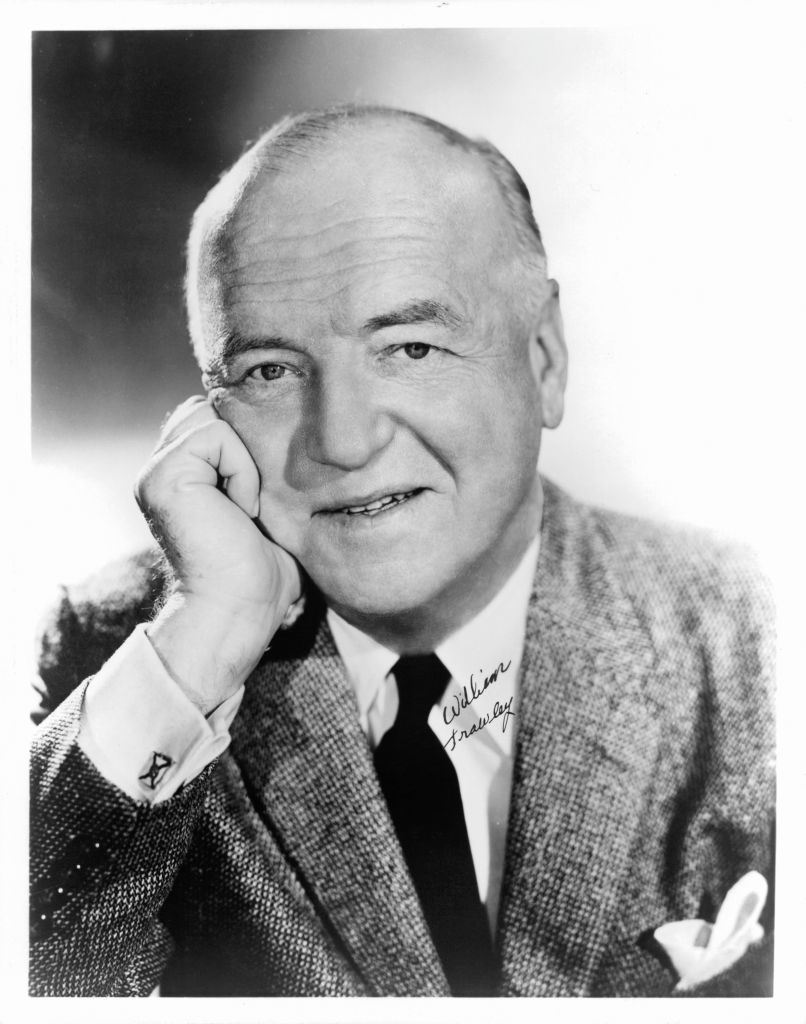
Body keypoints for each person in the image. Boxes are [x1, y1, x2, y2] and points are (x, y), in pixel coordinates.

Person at [29, 105, 775, 998]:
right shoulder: (130, 657)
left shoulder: (753, 636)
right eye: (269, 370)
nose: (342, 441)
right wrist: (206, 637)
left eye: (410, 347)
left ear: (543, 359)